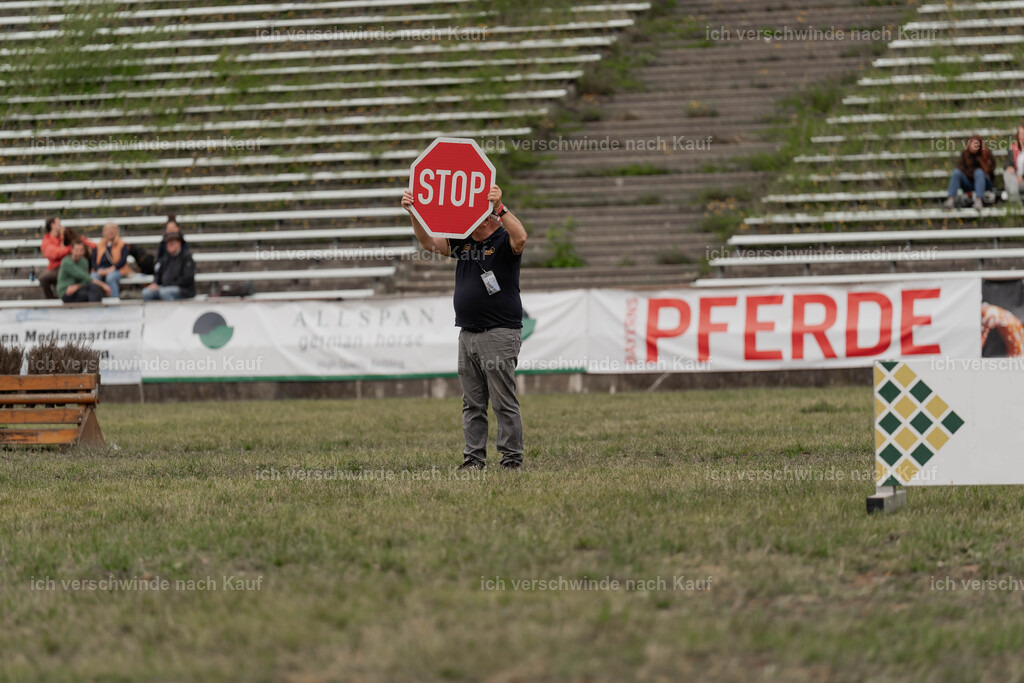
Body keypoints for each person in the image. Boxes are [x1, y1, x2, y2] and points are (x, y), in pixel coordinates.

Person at [401, 184, 528, 470]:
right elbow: (428, 244)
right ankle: (473, 458)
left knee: (502, 400)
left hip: (499, 332)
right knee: (472, 402)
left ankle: (511, 459)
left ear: (484, 219)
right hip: (468, 333)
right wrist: (413, 213)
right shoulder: (464, 242)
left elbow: (521, 237)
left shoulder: (503, 239)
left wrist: (501, 207)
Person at [944, 135, 996, 211]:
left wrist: (978, 168)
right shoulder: (965, 155)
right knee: (956, 172)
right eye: (972, 143)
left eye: (976, 144)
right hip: (969, 183)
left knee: (979, 172)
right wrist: (972, 172)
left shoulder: (986, 154)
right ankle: (951, 199)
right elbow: (960, 169)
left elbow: (990, 171)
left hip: (984, 184)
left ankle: (979, 200)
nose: (974, 146)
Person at [142, 231, 195, 301]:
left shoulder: (186, 257)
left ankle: (171, 311)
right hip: (165, 286)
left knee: (165, 292)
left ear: (179, 243)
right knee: (146, 293)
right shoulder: (166, 257)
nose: (169, 245)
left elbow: (187, 278)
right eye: (167, 243)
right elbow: (158, 273)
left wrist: (170, 283)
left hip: (182, 289)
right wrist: (155, 283)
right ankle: (152, 311)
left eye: (172, 243)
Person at [58, 239, 110, 303]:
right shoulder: (66, 262)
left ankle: (94, 309)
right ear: (72, 250)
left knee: (95, 290)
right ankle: (94, 310)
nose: (79, 252)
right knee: (92, 294)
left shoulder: (84, 261)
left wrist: (77, 286)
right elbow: (86, 277)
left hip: (79, 288)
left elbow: (85, 280)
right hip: (67, 292)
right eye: (77, 250)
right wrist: (103, 285)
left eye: (81, 250)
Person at [91, 222, 131, 298]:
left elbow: (123, 260)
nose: (110, 231)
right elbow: (93, 261)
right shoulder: (99, 245)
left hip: (117, 269)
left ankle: (114, 303)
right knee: (93, 277)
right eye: (108, 229)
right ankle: (95, 302)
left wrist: (112, 269)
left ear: (117, 231)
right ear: (104, 231)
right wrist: (98, 270)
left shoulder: (122, 244)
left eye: (113, 229)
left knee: (110, 278)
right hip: (101, 269)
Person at [38, 217, 70, 299]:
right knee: (43, 278)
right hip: (56, 268)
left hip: (69, 265)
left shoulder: (65, 235)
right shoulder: (46, 241)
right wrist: (70, 249)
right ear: (52, 225)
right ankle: (51, 299)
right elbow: (55, 254)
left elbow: (78, 241)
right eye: (59, 224)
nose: (61, 226)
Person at [1004, 125, 1024, 205]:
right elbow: (1006, 164)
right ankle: (1015, 199)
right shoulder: (1013, 149)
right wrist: (1009, 167)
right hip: (1014, 182)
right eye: (1021, 134)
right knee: (1007, 173)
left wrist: (1021, 175)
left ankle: (1014, 199)